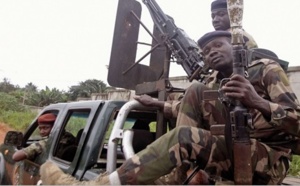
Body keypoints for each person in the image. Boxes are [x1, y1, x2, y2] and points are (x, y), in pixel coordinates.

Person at [39, 30, 300, 185]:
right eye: (207, 51)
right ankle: (182, 173)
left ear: (236, 47)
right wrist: (156, 104)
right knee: (195, 90)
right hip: (231, 152)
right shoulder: (213, 82)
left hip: (268, 160)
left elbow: (296, 120)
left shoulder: (266, 70)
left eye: (218, 45)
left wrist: (257, 101)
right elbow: (183, 108)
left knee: (184, 136)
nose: (211, 53)